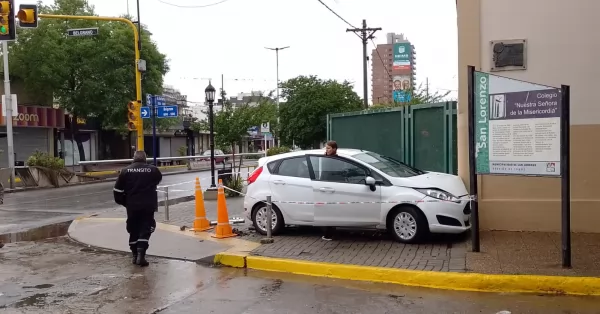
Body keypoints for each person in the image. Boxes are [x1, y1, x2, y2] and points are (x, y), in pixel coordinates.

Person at [113, 151, 163, 267]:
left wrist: (124, 202)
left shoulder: (125, 171)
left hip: (132, 206)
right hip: (148, 205)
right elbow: (157, 180)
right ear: (145, 159)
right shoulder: (153, 170)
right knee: (146, 228)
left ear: (133, 158)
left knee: (133, 229)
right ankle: (141, 255)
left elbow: (117, 191)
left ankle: (135, 255)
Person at [322, 140, 338, 241]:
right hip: (324, 187)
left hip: (331, 188)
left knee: (330, 211)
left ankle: (329, 234)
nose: (326, 150)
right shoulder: (325, 158)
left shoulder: (334, 160)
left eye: (328, 148)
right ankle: (328, 232)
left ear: (334, 149)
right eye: (326, 148)